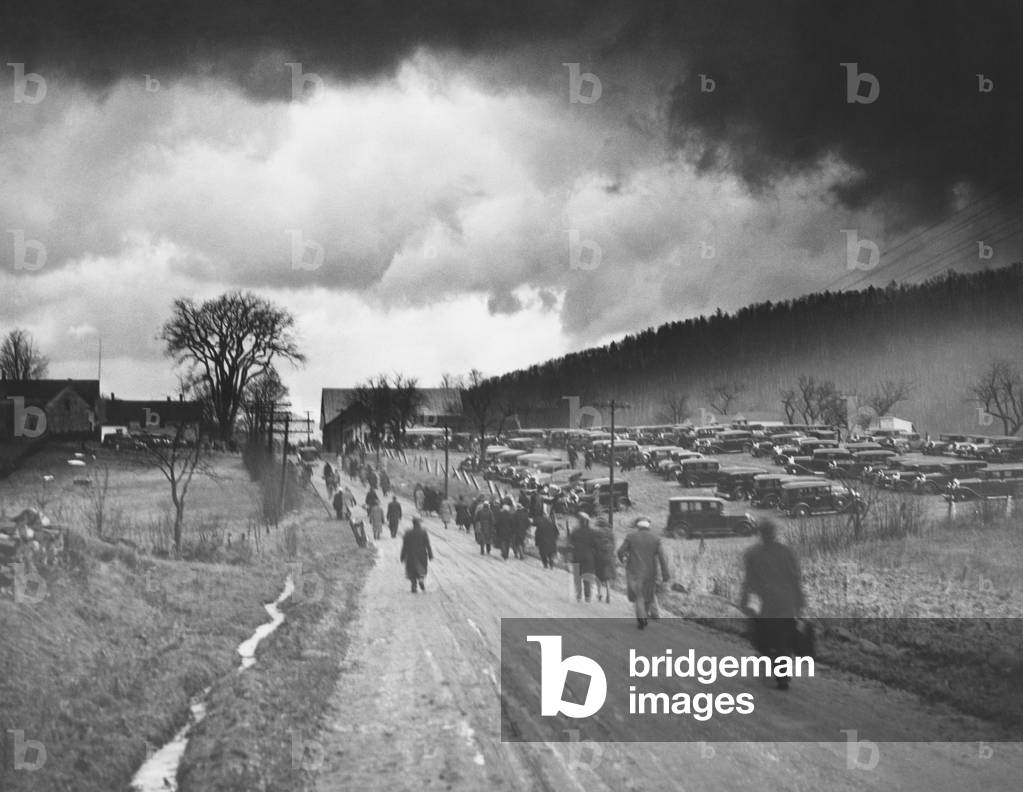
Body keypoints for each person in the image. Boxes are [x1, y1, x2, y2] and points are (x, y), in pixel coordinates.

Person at [738, 518, 806, 690]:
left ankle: (768, 662)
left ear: (761, 534)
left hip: (765, 603)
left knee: (764, 636)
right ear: (774, 534)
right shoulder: (786, 552)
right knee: (784, 639)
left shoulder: (753, 554)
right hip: (786, 602)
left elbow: (749, 581)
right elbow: (795, 578)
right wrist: (800, 601)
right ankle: (783, 676)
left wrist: (744, 601)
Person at [617, 516, 671, 629]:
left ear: (638, 526)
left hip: (634, 571)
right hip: (650, 573)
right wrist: (665, 573)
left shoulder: (631, 537)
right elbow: (662, 557)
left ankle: (642, 619)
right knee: (647, 596)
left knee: (639, 597)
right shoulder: (656, 539)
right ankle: (644, 616)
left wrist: (623, 560)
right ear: (649, 527)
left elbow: (620, 551)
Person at [568, 512, 599, 602]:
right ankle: (588, 596)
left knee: (577, 577)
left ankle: (578, 595)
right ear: (587, 521)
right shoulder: (593, 532)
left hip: (576, 556)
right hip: (588, 558)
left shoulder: (575, 531)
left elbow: (570, 543)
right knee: (587, 577)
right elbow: (596, 545)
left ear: (580, 522)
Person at [400, 517, 434, 593]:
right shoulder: (423, 532)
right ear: (419, 524)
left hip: (410, 554)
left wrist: (402, 556)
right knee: (422, 568)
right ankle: (421, 579)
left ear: (413, 523)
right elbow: (427, 544)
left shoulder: (408, 532)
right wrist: (430, 554)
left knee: (411, 570)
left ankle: (414, 585)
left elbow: (405, 545)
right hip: (421, 554)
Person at [592, 515, 617, 603]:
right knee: (607, 577)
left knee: (598, 576)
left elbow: (593, 545)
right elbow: (614, 545)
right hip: (609, 557)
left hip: (598, 557)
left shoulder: (596, 532)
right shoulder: (611, 532)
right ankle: (608, 594)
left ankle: (599, 594)